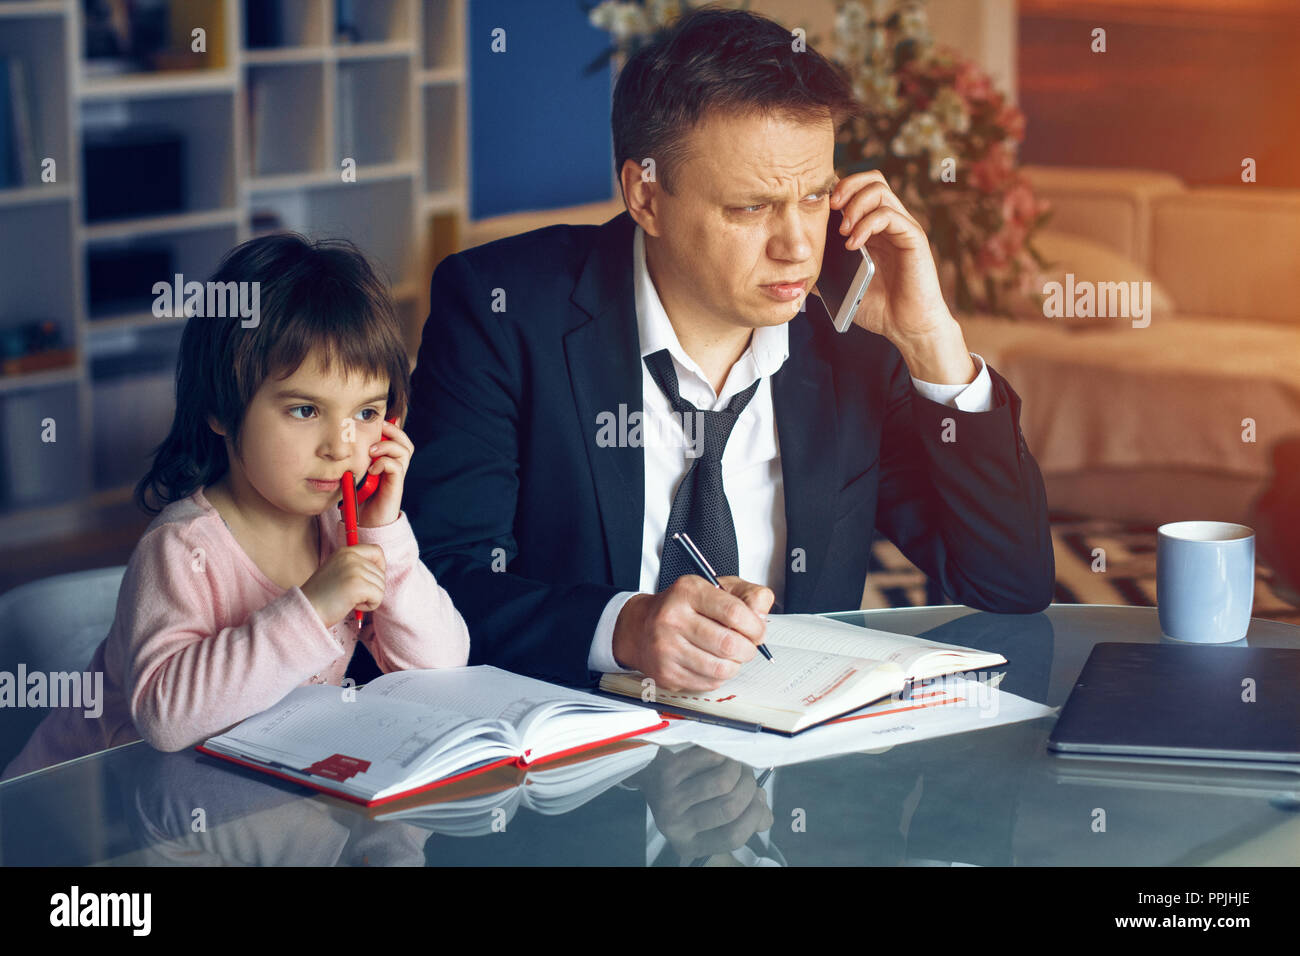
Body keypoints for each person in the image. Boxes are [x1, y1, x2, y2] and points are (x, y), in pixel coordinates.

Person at [403, 8, 1053, 692]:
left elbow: (1008, 582)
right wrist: (626, 629)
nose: (797, 246)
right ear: (645, 196)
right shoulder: (501, 310)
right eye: (750, 208)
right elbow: (434, 585)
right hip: (568, 757)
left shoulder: (853, 335)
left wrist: (931, 342)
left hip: (794, 767)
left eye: (814, 198)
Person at [2, 234, 469, 780]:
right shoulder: (180, 548)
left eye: (366, 413)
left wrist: (383, 533)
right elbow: (167, 718)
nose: (342, 445)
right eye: (303, 410)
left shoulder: (344, 533)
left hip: (221, 797)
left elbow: (440, 667)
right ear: (220, 409)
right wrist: (314, 605)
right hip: (79, 810)